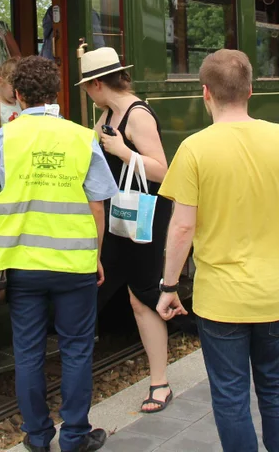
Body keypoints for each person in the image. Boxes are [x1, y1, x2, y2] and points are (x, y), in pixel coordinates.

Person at [155, 49, 279, 452]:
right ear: (251, 90)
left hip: (220, 303)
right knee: (277, 390)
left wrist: (168, 287)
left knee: (231, 398)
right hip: (272, 297)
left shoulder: (194, 149)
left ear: (205, 94)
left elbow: (182, 226)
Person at [0, 56, 117, 452]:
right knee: (77, 349)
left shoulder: (0, 140)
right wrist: (96, 255)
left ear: (19, 94)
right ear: (56, 93)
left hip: (20, 265)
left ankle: (38, 436)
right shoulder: (82, 138)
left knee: (27, 352)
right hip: (74, 265)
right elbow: (98, 206)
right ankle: (76, 436)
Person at [78, 47, 174, 414]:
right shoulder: (107, 113)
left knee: (141, 294)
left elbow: (163, 171)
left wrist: (122, 151)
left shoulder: (138, 115)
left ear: (99, 83)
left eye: (87, 86)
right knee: (100, 286)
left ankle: (160, 382)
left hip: (144, 215)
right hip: (118, 215)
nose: (87, 92)